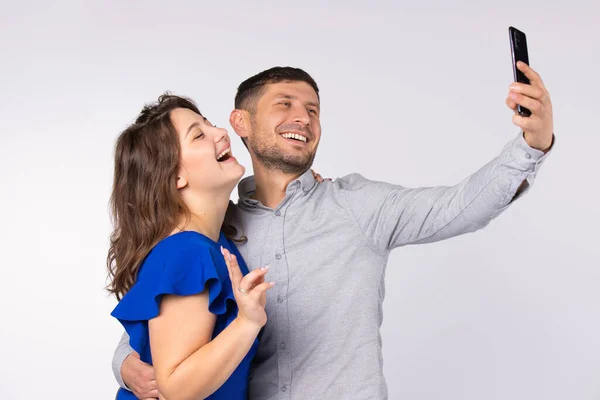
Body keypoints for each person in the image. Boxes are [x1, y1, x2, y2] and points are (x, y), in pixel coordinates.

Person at [113, 63, 554, 399]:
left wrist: (531, 146)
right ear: (241, 123)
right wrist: (126, 364)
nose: (302, 117)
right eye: (284, 103)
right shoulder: (214, 230)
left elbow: (458, 207)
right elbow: (163, 325)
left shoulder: (357, 205)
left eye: (312, 110)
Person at [107, 94, 278, 399]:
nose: (221, 133)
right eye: (199, 134)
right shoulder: (188, 252)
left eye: (210, 125)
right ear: (175, 176)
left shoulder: (213, 243)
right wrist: (247, 323)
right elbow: (177, 388)